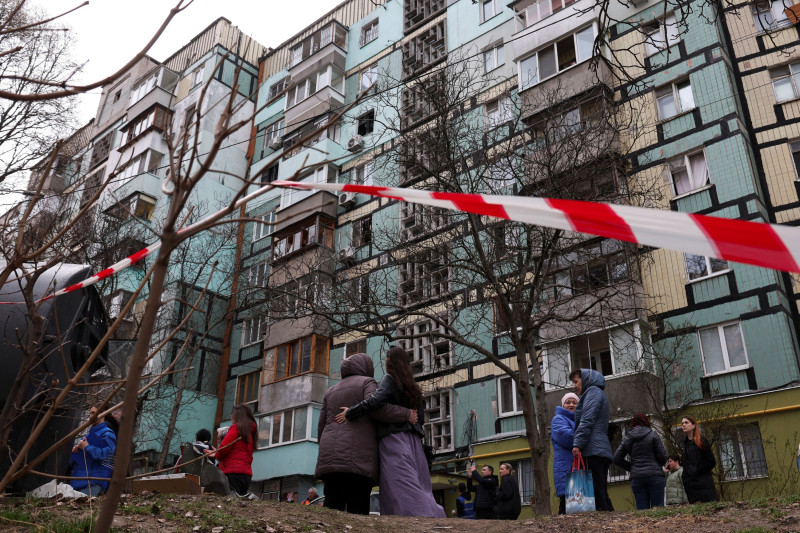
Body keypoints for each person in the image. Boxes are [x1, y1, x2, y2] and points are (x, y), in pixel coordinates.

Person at [336, 346, 445, 518]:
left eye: (386, 359)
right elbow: (420, 418)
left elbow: (375, 402)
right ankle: (431, 514)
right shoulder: (413, 386)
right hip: (414, 442)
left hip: (394, 439)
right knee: (419, 483)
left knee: (399, 484)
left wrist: (350, 412)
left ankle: (417, 516)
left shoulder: (389, 379)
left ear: (390, 362)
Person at [315, 352, 414, 514]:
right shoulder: (367, 383)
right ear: (366, 367)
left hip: (330, 459)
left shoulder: (330, 391)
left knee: (332, 507)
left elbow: (321, 426)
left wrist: (325, 451)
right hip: (358, 458)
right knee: (358, 507)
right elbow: (377, 409)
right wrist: (406, 413)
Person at [570, 368, 614, 511]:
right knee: (600, 492)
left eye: (576, 382)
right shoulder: (596, 393)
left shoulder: (593, 392)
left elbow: (587, 419)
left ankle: (606, 520)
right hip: (598, 449)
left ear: (585, 379)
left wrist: (577, 443)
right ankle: (611, 519)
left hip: (593, 450)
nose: (574, 386)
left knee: (597, 493)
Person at [612, 413, 668, 509]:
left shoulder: (628, 437)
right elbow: (663, 456)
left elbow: (617, 458)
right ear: (646, 422)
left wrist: (632, 468)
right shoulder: (652, 435)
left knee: (642, 510)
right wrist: (657, 464)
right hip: (655, 476)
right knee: (658, 509)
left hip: (637, 477)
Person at [211, 403, 257, 498]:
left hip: (232, 472)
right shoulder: (250, 433)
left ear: (236, 416)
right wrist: (216, 453)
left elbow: (224, 447)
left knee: (229, 500)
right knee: (240, 502)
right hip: (246, 475)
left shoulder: (236, 428)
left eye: (232, 414)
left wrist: (217, 455)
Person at [69, 405, 117, 496]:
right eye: (90, 413)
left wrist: (87, 447)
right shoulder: (87, 436)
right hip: (78, 482)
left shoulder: (107, 434)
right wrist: (75, 451)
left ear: (103, 414)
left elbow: (106, 456)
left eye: (93, 413)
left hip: (94, 482)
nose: (90, 416)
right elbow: (73, 461)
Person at [552, 392, 578, 514]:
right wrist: (584, 431)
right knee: (566, 503)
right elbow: (568, 438)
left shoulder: (578, 420)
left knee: (578, 505)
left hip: (575, 465)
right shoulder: (558, 419)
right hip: (565, 467)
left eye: (574, 402)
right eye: (568, 402)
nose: (571, 405)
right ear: (563, 405)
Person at [680, 415, 717, 503]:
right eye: (682, 423)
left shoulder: (702, 441)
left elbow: (711, 461)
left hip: (703, 484)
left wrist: (697, 470)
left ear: (693, 425)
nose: (683, 425)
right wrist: (685, 476)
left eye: (686, 422)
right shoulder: (684, 444)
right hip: (690, 487)